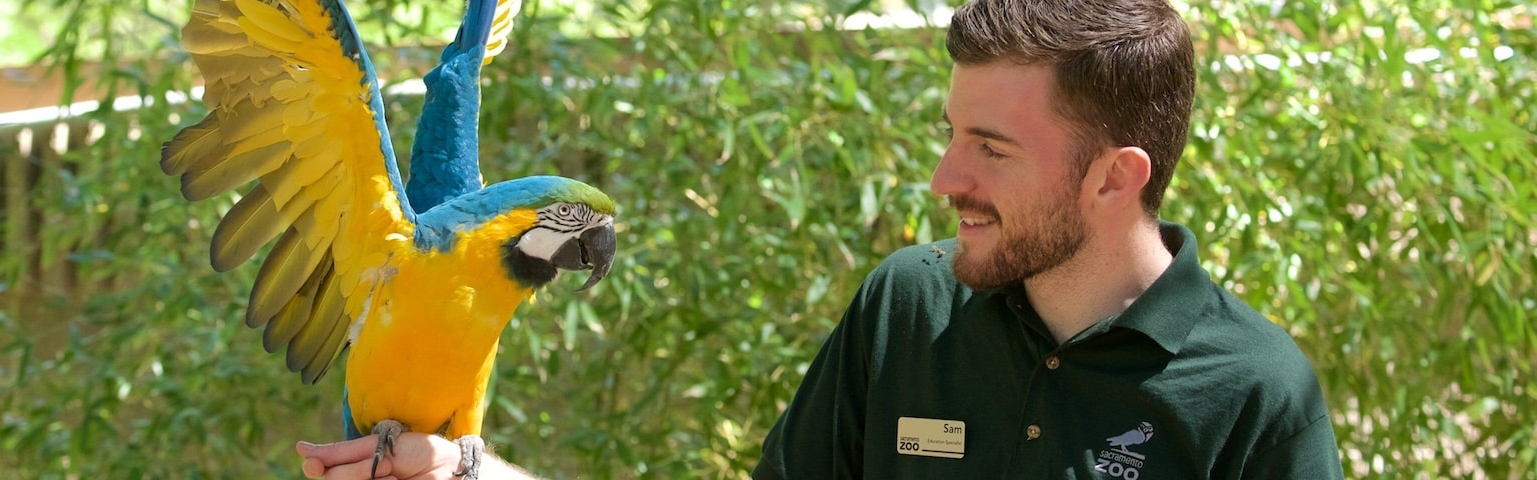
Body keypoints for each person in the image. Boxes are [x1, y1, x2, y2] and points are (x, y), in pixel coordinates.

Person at [299, 0, 1345, 478]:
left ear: (1118, 178)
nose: (943, 181)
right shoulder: (909, 307)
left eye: (991, 148)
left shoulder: (1254, 395)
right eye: (948, 135)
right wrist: (468, 475)